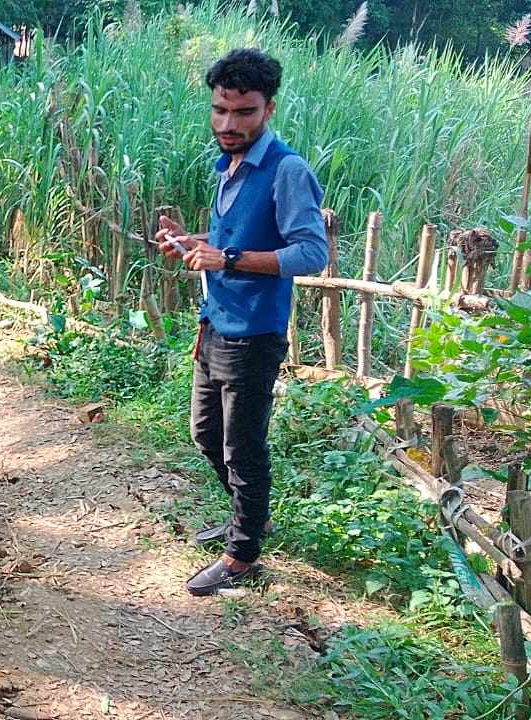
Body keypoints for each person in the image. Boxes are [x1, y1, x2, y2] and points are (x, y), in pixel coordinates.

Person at [155, 48, 329, 597]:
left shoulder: (287, 171)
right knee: (205, 434)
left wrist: (225, 259)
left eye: (244, 113)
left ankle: (242, 554)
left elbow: (309, 253)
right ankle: (250, 519)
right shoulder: (228, 166)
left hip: (254, 332)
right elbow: (235, 242)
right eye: (220, 111)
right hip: (217, 322)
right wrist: (194, 243)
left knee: (242, 446)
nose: (229, 125)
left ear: (268, 110)